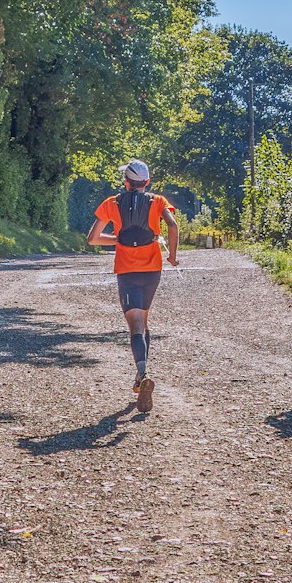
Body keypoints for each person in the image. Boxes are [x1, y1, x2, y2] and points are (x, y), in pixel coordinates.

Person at [87, 160, 179, 413]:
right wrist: (172, 255)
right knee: (144, 320)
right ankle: (142, 376)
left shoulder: (111, 203)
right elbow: (172, 225)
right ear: (147, 182)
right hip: (152, 270)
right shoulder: (158, 201)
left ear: (125, 182)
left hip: (127, 270)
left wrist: (117, 237)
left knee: (136, 324)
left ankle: (142, 373)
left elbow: (93, 239)